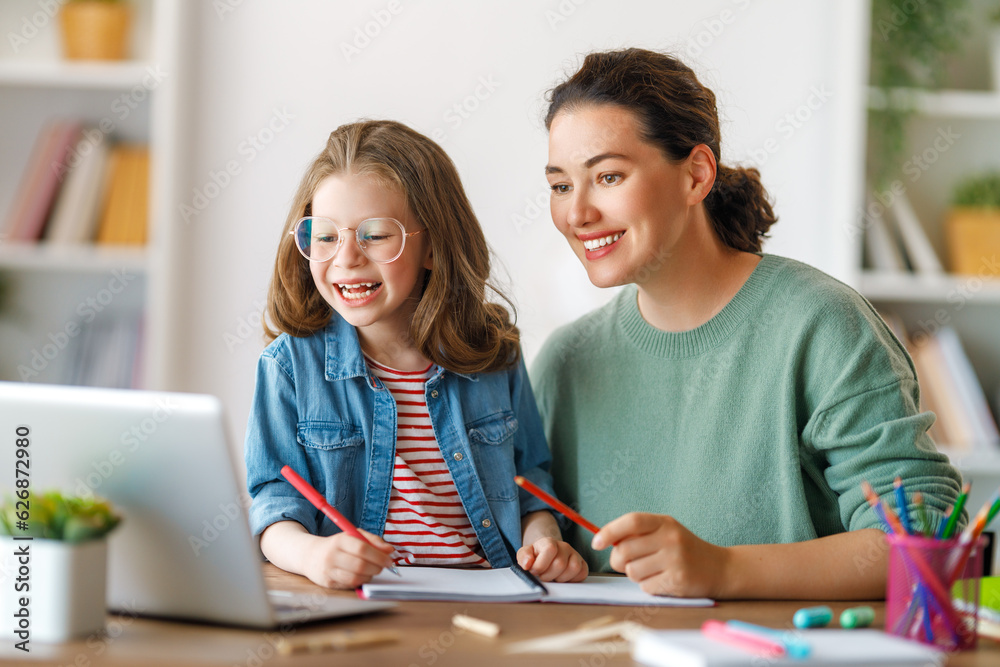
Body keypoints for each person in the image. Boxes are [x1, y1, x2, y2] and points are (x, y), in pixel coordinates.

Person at [531, 48, 965, 600]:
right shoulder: (566, 362)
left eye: (608, 176)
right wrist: (542, 540)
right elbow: (532, 516)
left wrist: (723, 570)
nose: (577, 214)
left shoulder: (820, 325)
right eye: (561, 185)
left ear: (696, 174)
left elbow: (923, 541)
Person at [245, 120, 587, 589]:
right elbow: (273, 501)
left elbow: (528, 479)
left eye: (375, 235)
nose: (346, 257)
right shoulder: (289, 366)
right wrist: (313, 555)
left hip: (487, 591)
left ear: (433, 246)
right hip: (363, 602)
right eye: (325, 236)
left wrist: (544, 539)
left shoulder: (493, 354)